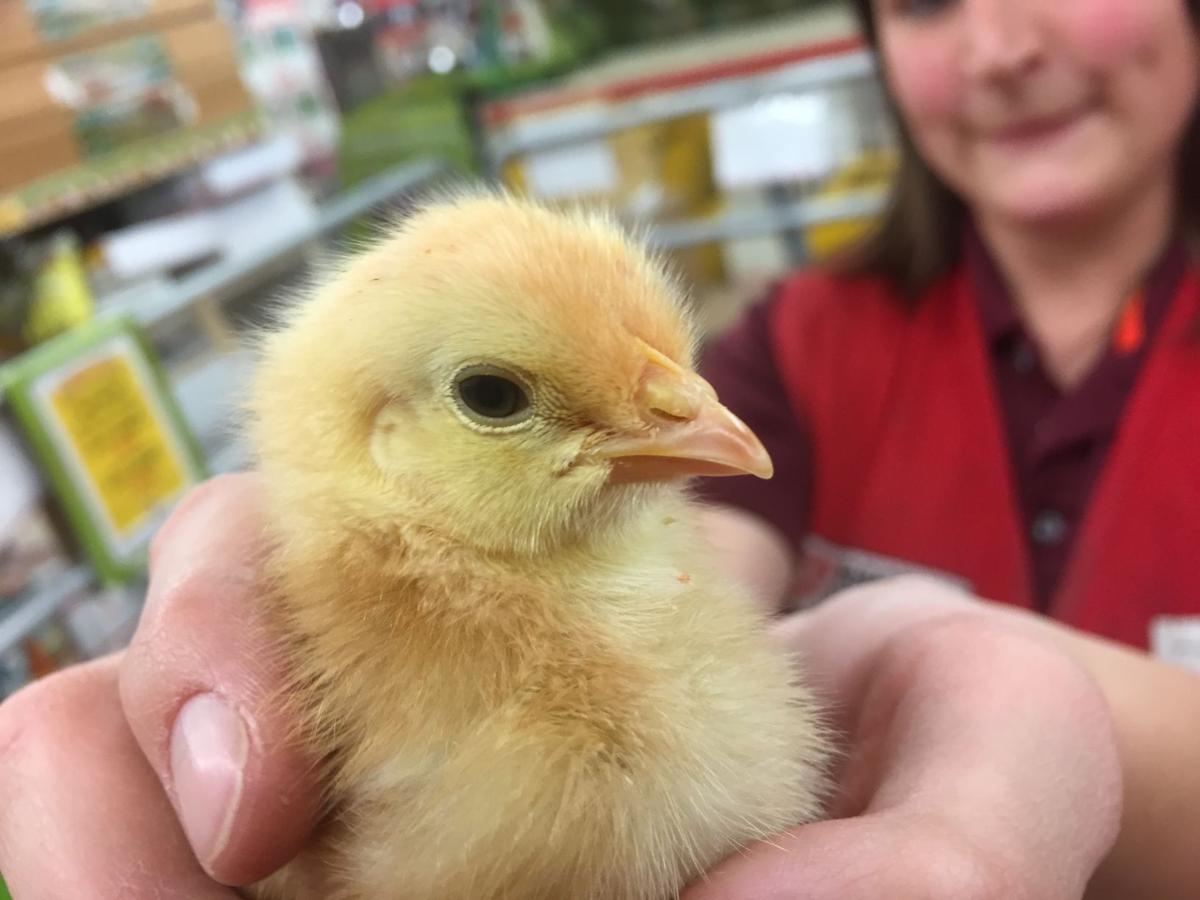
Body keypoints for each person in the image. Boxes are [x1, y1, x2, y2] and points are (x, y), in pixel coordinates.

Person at [1, 0, 1199, 897]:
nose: (1000, 46)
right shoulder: (794, 351)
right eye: (929, 0)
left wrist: (1095, 760)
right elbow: (697, 574)